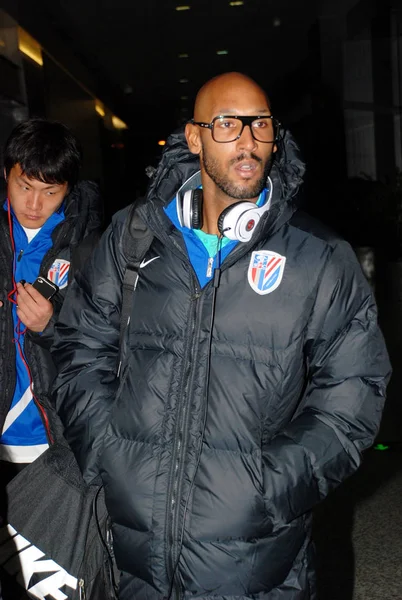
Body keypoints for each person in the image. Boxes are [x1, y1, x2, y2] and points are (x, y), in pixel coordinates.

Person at [52, 72, 391, 599]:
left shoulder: (317, 256)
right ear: (195, 138)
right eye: (228, 124)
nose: (249, 141)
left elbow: (353, 394)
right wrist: (107, 451)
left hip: (255, 560)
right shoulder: (134, 236)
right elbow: (79, 347)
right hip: (134, 551)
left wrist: (268, 488)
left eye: (261, 125)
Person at [0, 117, 102, 498]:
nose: (33, 203)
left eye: (49, 192)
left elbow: (106, 344)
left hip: (54, 440)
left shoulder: (87, 247)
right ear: (5, 174)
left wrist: (50, 325)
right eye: (23, 186)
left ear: (68, 190)